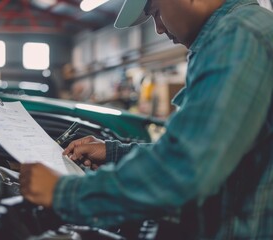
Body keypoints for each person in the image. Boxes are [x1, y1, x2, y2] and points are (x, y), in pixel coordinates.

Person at [19, 0, 273, 238]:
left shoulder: (238, 37)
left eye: (155, 11)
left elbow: (185, 168)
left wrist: (63, 192)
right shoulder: (238, 33)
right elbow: (203, 148)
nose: (159, 28)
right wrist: (113, 152)